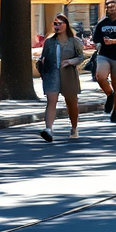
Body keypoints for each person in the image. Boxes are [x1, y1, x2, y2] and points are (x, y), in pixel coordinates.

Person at [35, 13, 85, 141]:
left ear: (66, 25)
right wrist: (41, 64)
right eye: (55, 24)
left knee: (71, 102)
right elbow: (43, 58)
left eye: (60, 23)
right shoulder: (49, 42)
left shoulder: (74, 41)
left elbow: (81, 57)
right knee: (51, 101)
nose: (57, 26)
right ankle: (48, 129)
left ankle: (74, 127)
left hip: (68, 74)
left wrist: (70, 62)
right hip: (52, 74)